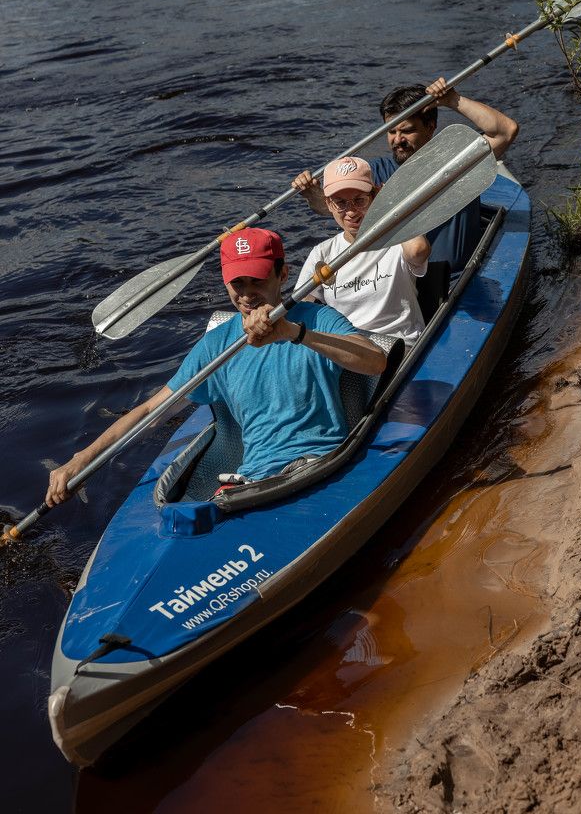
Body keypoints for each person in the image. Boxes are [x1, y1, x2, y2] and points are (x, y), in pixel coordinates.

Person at [46, 228, 386, 506]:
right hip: (254, 479)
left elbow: (375, 360)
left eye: (257, 280)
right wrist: (83, 459)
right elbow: (153, 410)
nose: (247, 295)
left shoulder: (317, 319)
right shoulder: (215, 346)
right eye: (238, 284)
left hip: (321, 465)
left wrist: (293, 333)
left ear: (282, 274)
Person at [293, 77, 519, 277]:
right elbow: (338, 210)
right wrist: (312, 194)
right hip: (399, 283)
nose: (397, 139)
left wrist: (452, 100)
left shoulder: (458, 161)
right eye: (391, 131)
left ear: (430, 127)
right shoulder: (373, 171)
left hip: (456, 280)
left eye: (407, 130)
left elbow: (506, 131)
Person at [294, 156, 430, 347]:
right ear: (329, 205)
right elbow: (302, 307)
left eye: (359, 200)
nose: (351, 212)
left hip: (399, 346)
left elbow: (418, 251)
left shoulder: (397, 240)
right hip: (348, 347)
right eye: (340, 203)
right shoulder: (322, 253)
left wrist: (388, 204)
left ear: (375, 197)